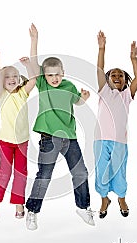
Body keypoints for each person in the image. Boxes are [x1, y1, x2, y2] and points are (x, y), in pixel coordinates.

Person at [24, 24, 94, 230]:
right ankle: (32, 211)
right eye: (50, 75)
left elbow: (77, 103)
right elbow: (35, 63)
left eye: (57, 74)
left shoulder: (69, 86)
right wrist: (35, 39)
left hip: (70, 138)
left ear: (63, 72)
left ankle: (83, 207)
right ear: (44, 77)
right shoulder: (43, 85)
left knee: (80, 172)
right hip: (49, 138)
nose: (54, 78)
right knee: (44, 175)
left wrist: (84, 98)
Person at [94, 31, 137, 219]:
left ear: (124, 81)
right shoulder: (103, 92)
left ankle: (121, 197)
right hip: (100, 140)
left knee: (119, 170)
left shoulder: (126, 95)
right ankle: (104, 198)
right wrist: (101, 48)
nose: (116, 76)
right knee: (101, 169)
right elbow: (99, 69)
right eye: (113, 74)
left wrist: (134, 59)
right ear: (107, 80)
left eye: (120, 75)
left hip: (119, 141)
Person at [0, 48, 36, 220]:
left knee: (21, 173)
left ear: (19, 79)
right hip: (6, 141)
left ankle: (18, 203)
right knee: (5, 172)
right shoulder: (2, 94)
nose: (11, 78)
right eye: (7, 76)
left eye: (14, 75)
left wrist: (28, 64)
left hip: (22, 141)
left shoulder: (23, 92)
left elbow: (33, 80)